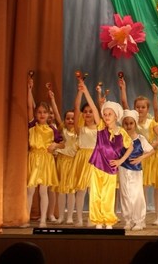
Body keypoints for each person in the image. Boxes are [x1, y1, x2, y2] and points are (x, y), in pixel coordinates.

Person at [79, 80, 133, 229]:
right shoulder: (101, 127)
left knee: (108, 195)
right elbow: (94, 109)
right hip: (97, 165)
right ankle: (98, 222)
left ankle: (108, 221)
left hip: (111, 167)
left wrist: (120, 161)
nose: (107, 116)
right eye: (105, 114)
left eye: (110, 114)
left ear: (116, 116)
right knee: (96, 194)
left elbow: (130, 147)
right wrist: (85, 91)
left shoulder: (121, 132)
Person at [26, 77, 64, 227]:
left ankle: (43, 219)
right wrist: (29, 89)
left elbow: (63, 143)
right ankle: (26, 219)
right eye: (39, 112)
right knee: (30, 191)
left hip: (46, 160)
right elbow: (29, 106)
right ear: (36, 114)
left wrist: (56, 145)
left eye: (44, 112)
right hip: (33, 158)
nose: (42, 115)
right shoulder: (32, 126)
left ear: (49, 114)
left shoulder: (52, 129)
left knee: (43, 191)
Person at [119, 109, 155, 232]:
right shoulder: (120, 139)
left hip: (135, 170)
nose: (128, 126)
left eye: (131, 123)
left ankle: (139, 220)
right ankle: (128, 220)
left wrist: (140, 158)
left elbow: (151, 151)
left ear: (135, 124)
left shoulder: (140, 139)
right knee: (125, 194)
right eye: (126, 123)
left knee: (136, 194)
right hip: (123, 169)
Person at [48, 88, 78, 224]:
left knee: (71, 191)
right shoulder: (62, 130)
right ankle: (61, 216)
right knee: (61, 191)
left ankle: (70, 216)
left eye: (73, 118)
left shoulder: (78, 132)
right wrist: (52, 99)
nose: (70, 120)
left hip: (72, 163)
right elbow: (56, 114)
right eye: (68, 118)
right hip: (61, 162)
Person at [71, 86, 98, 226]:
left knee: (93, 191)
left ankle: (92, 218)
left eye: (90, 111)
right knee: (81, 190)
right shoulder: (80, 129)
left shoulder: (99, 127)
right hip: (82, 160)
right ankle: (80, 218)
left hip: (95, 159)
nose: (88, 114)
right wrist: (80, 92)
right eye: (85, 112)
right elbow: (76, 108)